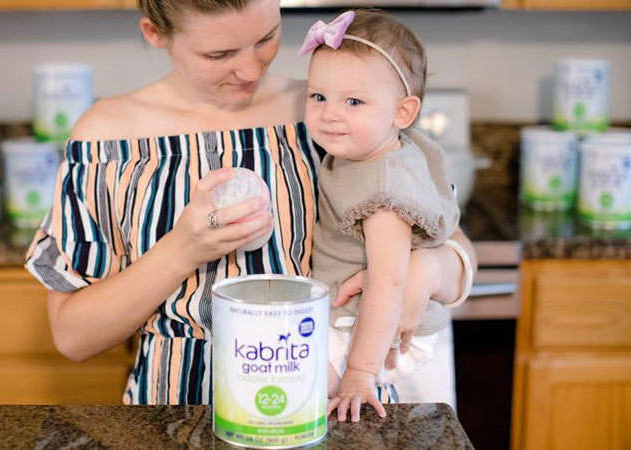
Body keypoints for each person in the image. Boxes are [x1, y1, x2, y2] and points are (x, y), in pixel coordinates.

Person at [24, 0, 477, 411]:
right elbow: (72, 336)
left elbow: (451, 243)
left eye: (266, 38)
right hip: (179, 404)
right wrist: (184, 248)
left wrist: (429, 270)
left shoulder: (332, 110)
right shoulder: (107, 139)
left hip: (338, 399)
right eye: (219, 55)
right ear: (154, 33)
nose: (250, 69)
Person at [300, 9, 473, 420]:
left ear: (402, 113)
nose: (329, 113)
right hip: (359, 318)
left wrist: (360, 373)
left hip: (366, 329)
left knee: (295, 373)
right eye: (318, 96)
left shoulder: (383, 191)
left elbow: (389, 282)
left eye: (354, 101)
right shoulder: (373, 149)